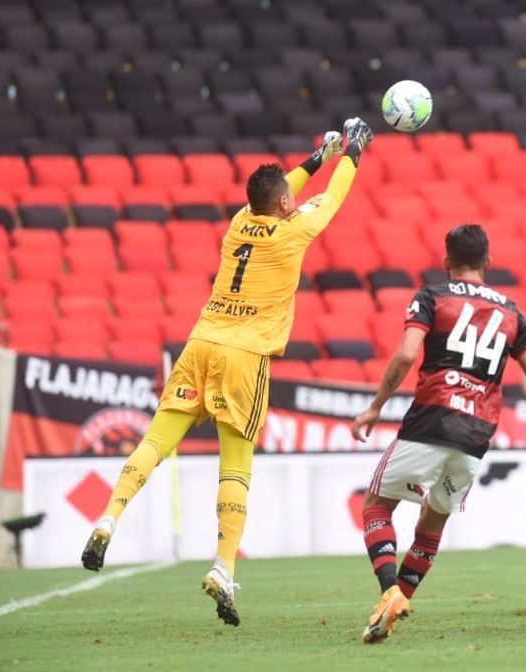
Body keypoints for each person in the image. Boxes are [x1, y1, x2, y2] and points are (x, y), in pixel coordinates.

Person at [80, 120, 373, 626]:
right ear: (284, 205)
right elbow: (334, 197)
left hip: (199, 343)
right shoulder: (293, 232)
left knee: (155, 441)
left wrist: (314, 158)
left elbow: (283, 192)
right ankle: (223, 566)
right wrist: (352, 153)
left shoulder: (240, 222)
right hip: (245, 355)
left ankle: (109, 516)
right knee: (235, 467)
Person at [350, 224, 526, 643]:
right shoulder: (512, 313)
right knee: (433, 523)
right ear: (489, 263)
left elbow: (408, 353)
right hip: (476, 434)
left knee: (375, 507)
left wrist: (376, 406)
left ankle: (391, 589)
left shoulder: (432, 296)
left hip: (431, 418)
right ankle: (396, 604)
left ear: (446, 263)